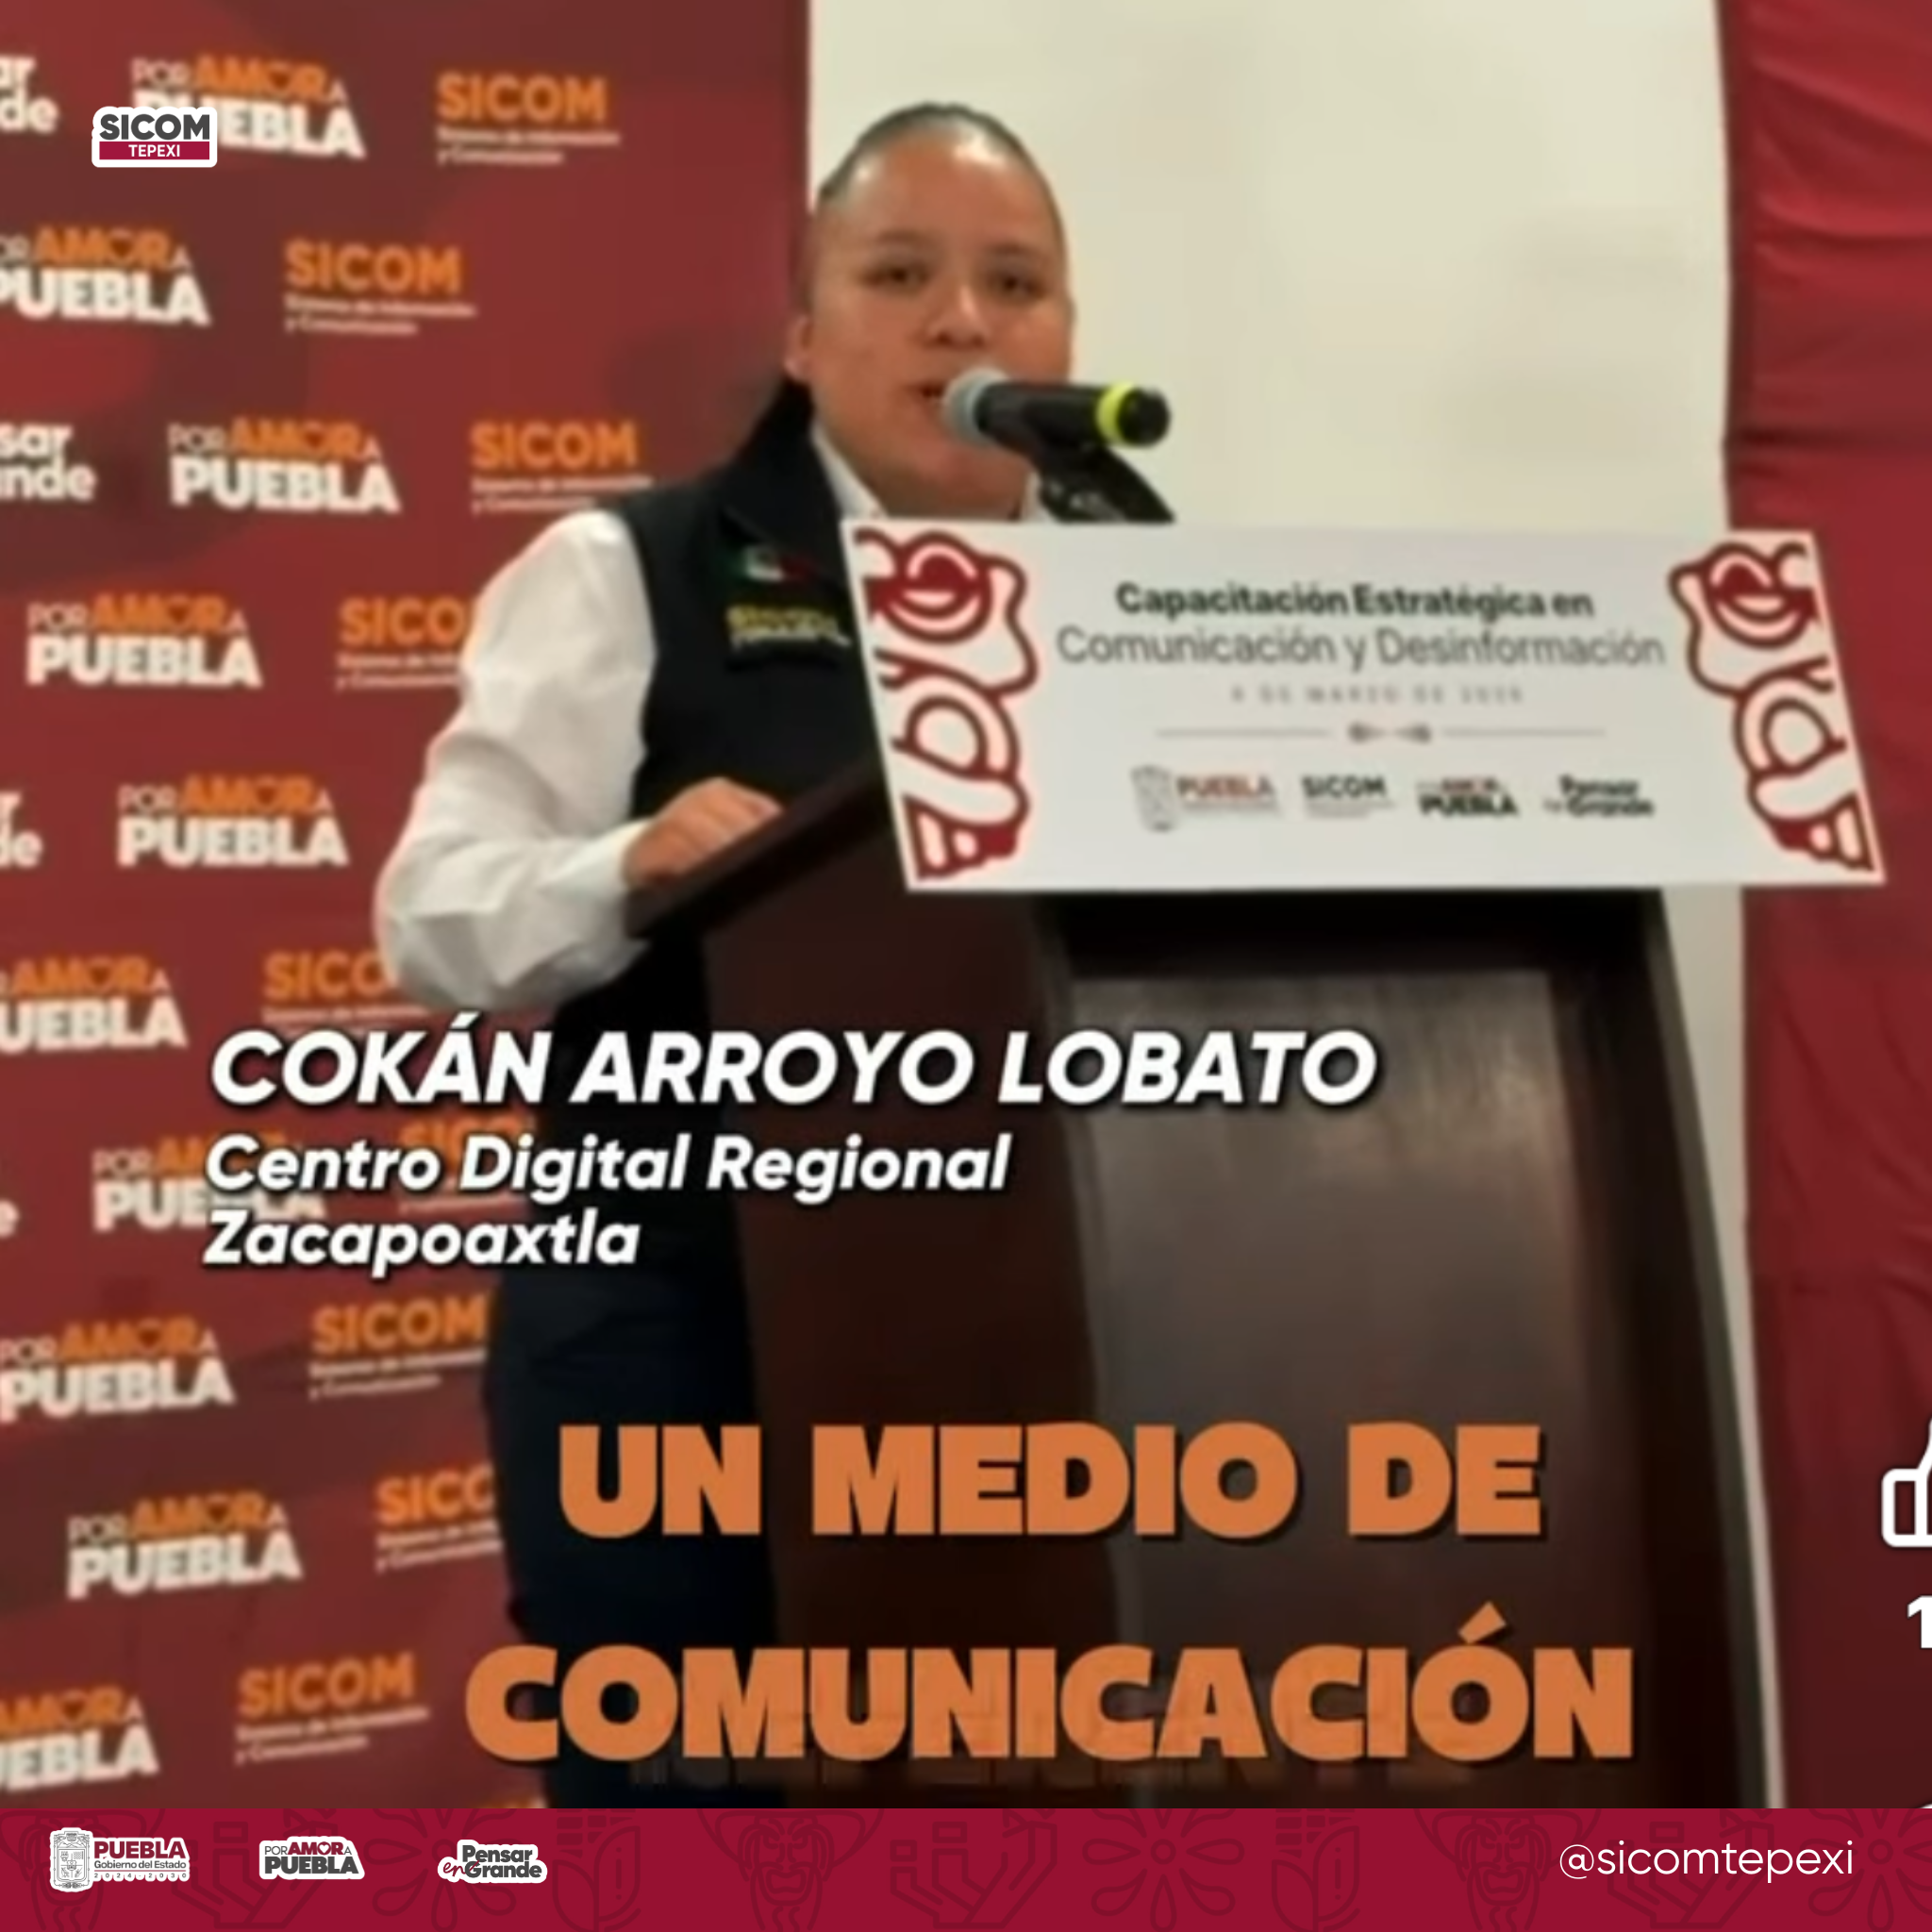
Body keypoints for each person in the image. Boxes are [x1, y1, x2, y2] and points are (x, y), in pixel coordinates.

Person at [374, 102, 1103, 1807]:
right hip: (679, 1348)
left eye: (1015, 284)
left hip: (1041, 1357)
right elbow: (431, 909)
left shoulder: (1132, 602)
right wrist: (622, 865)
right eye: (901, 276)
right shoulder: (626, 571)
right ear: (802, 335)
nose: (964, 323)